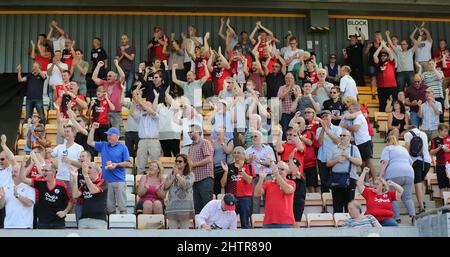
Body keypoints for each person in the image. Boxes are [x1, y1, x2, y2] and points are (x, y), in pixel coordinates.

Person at [87, 123, 132, 214]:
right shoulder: (104, 145)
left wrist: (116, 165)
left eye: (110, 135)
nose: (108, 137)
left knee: (122, 207)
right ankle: (111, 227)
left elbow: (128, 163)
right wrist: (92, 129)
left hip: (119, 180)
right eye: (107, 135)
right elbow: (89, 142)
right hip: (106, 181)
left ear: (117, 136)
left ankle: (124, 226)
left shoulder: (123, 147)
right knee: (110, 208)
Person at [20, 162, 73, 229]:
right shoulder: (40, 183)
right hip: (43, 223)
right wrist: (22, 165)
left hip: (58, 222)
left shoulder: (62, 186)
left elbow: (70, 201)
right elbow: (23, 179)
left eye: (46, 170)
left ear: (53, 172)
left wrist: (65, 212)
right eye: (43, 170)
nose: (43, 172)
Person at [380, 136, 416, 224]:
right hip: (409, 173)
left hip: (394, 173)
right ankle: (413, 216)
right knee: (407, 197)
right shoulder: (403, 149)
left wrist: (380, 175)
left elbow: (385, 162)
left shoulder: (387, 148)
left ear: (388, 142)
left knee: (393, 197)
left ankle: (397, 218)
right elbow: (411, 162)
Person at [327, 129, 362, 213]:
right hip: (336, 179)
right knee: (337, 206)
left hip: (350, 179)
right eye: (341, 135)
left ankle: (349, 225)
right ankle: (338, 225)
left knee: (349, 206)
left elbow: (359, 162)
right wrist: (337, 160)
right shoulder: (333, 148)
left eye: (344, 135)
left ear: (349, 138)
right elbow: (328, 164)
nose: (342, 137)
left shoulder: (354, 148)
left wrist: (349, 157)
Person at [254, 161, 296, 228]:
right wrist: (261, 178)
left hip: (285, 221)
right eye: (277, 168)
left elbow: (288, 190)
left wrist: (277, 174)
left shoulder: (291, 182)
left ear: (287, 172)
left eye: (282, 169)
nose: (279, 170)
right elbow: (256, 194)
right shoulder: (268, 183)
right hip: (268, 221)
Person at [245, 130, 276, 214]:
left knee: (269, 199)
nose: (253, 138)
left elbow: (272, 163)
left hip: (267, 176)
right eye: (252, 137)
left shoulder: (268, 149)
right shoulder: (247, 151)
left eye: (255, 136)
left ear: (261, 138)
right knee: (255, 200)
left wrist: (260, 161)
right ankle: (255, 221)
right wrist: (249, 160)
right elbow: (245, 165)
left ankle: (270, 220)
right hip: (255, 177)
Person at [70, 162, 108, 229]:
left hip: (98, 220)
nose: (87, 170)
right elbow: (75, 195)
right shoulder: (85, 185)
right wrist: (75, 177)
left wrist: (85, 175)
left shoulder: (102, 182)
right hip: (83, 219)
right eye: (87, 168)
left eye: (90, 168)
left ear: (97, 171)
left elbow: (93, 191)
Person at [187, 124, 214, 214]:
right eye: (188, 132)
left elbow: (209, 159)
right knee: (197, 208)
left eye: (191, 132)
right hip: (195, 180)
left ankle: (209, 227)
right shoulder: (191, 147)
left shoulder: (205, 142)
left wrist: (193, 165)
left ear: (198, 132)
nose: (189, 134)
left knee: (207, 206)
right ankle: (200, 227)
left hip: (205, 179)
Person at [92, 59, 125, 131]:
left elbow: (122, 75)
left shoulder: (118, 83)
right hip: (105, 113)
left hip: (116, 113)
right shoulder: (104, 83)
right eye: (107, 76)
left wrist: (117, 64)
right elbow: (94, 78)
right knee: (105, 134)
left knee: (115, 133)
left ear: (115, 77)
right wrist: (98, 66)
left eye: (110, 76)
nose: (108, 77)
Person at [404, 126, 431, 214]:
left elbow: (407, 148)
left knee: (417, 183)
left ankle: (421, 207)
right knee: (422, 181)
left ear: (409, 129)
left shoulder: (407, 134)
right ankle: (422, 201)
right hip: (427, 161)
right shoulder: (424, 134)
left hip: (416, 161)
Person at [164, 154, 195, 229]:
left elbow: (186, 185)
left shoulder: (190, 175)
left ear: (185, 163)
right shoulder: (171, 174)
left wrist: (177, 175)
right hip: (172, 207)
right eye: (176, 161)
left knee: (185, 232)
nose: (177, 163)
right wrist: (173, 176)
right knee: (172, 232)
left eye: (180, 161)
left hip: (185, 208)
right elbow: (165, 187)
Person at [0, 163, 35, 229]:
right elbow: (1, 206)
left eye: (15, 172)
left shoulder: (29, 187)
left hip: (25, 226)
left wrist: (17, 196)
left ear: (22, 173)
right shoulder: (6, 187)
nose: (13, 174)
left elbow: (29, 203)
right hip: (8, 225)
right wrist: (1, 197)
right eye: (12, 172)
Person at [51, 125, 84, 194]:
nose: (66, 133)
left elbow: (81, 165)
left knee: (72, 200)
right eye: (65, 131)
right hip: (59, 178)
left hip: (72, 179)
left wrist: (70, 161)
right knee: (59, 200)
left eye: (68, 131)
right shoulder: (60, 147)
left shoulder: (79, 148)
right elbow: (50, 155)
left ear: (74, 133)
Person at [134, 94, 162, 175]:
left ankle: (157, 184)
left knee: (156, 164)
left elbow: (151, 111)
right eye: (144, 105)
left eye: (147, 105)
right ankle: (139, 183)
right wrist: (136, 101)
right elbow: (132, 113)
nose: (145, 106)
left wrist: (141, 102)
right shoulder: (140, 116)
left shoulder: (155, 115)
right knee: (140, 164)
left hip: (154, 141)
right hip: (142, 141)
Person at [316, 110, 342, 193]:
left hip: (334, 158)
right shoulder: (319, 130)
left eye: (326, 116)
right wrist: (323, 129)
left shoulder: (337, 128)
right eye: (322, 117)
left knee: (336, 181)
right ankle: (325, 201)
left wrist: (327, 130)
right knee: (324, 182)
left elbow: (337, 141)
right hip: (322, 157)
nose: (324, 118)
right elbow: (319, 142)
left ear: (331, 117)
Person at [374, 40, 398, 112]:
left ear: (387, 57)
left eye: (384, 56)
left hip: (392, 87)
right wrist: (381, 46)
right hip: (381, 88)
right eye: (381, 56)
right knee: (382, 105)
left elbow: (390, 52)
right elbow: (374, 55)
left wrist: (384, 46)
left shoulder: (391, 62)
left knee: (393, 104)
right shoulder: (378, 64)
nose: (382, 57)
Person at [277, 73, 302, 140]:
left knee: (295, 129)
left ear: (293, 79)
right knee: (285, 129)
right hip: (285, 112)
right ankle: (285, 143)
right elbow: (279, 97)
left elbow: (299, 98)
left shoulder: (297, 87)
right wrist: (288, 90)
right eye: (286, 78)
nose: (288, 79)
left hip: (296, 113)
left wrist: (295, 93)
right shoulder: (282, 87)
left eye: (290, 78)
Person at [0, 135, 17, 228]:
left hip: (10, 201)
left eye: (2, 159)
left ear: (7, 160)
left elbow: (13, 159)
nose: (0, 161)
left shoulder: (11, 168)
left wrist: (3, 145)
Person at [430, 123, 450, 193]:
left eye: (447, 131)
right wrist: (438, 148)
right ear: (439, 131)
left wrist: (448, 150)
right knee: (442, 185)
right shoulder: (434, 140)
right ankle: (444, 201)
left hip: (449, 165)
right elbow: (431, 152)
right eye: (445, 131)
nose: (446, 133)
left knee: (449, 184)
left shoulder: (449, 138)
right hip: (440, 164)